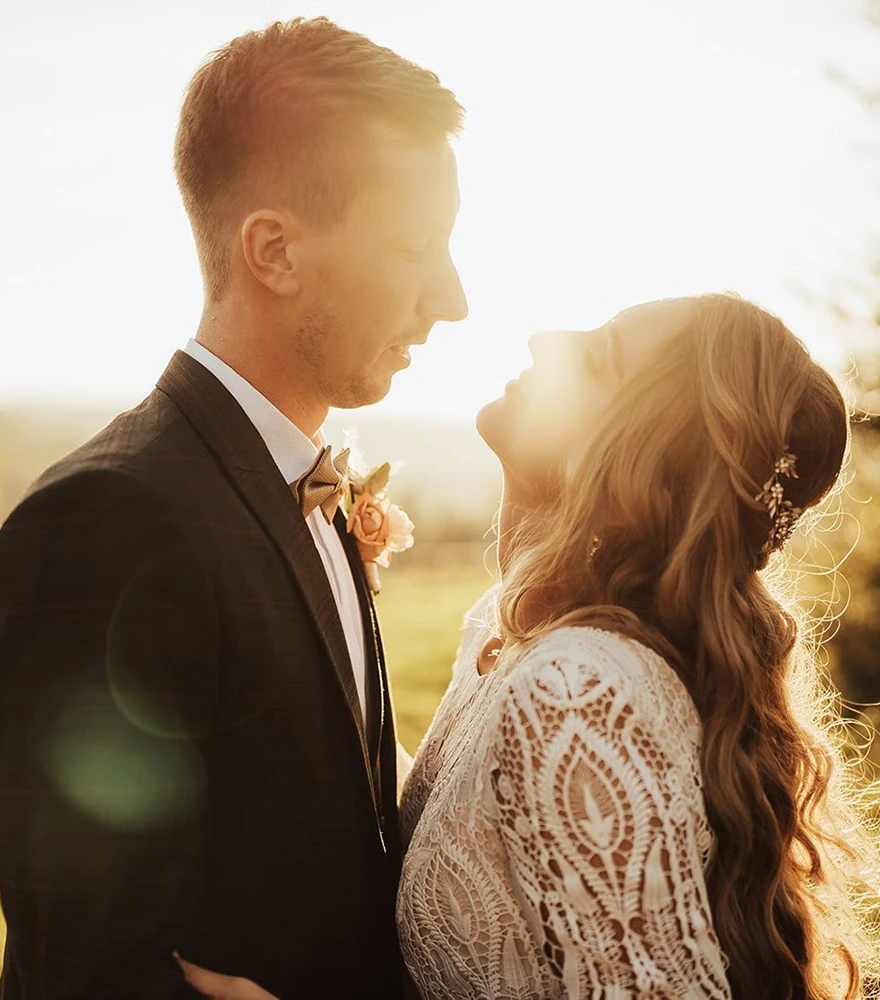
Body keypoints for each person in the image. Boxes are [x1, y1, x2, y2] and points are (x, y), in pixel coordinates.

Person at [0, 17, 467, 999]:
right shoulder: (104, 523)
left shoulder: (311, 487)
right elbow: (93, 968)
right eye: (416, 246)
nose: (451, 299)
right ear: (273, 250)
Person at [182, 295, 880, 1000]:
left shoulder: (582, 689)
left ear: (644, 453)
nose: (548, 338)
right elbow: (458, 818)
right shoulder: (511, 629)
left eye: (599, 355)